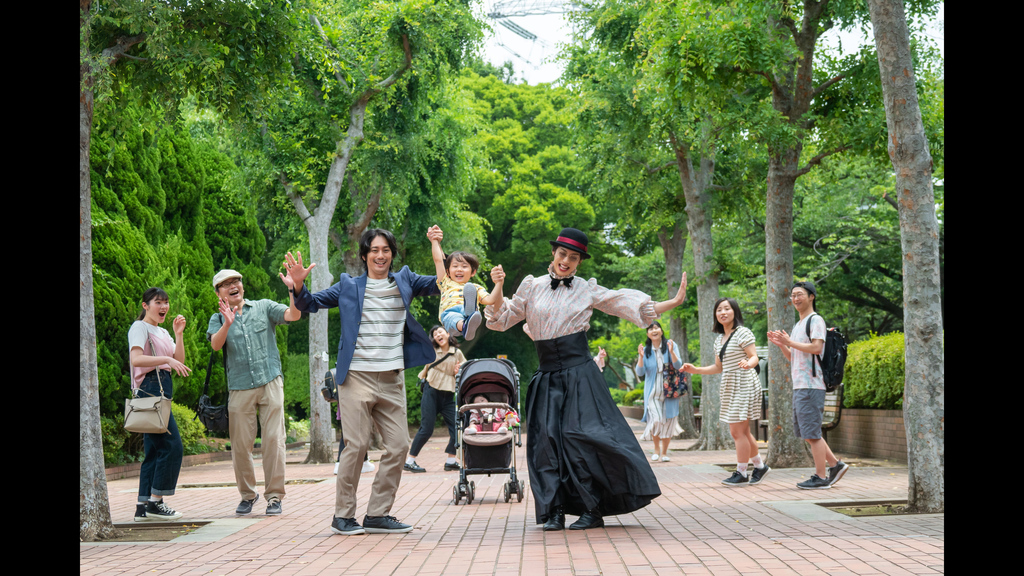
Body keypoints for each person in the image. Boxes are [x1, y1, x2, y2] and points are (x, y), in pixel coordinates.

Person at [285, 228, 502, 536]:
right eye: (374, 250)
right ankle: (343, 516)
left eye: (386, 249)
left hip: (391, 377)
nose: (381, 255)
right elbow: (310, 303)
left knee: (399, 446)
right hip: (356, 377)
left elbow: (445, 283)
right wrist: (297, 284)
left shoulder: (406, 279)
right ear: (364, 255)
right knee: (356, 446)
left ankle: (377, 514)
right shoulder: (348, 286)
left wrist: (456, 265)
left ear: (391, 254)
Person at [485, 227, 688, 531]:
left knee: (580, 437)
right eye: (562, 254)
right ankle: (553, 511)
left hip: (580, 373)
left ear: (580, 261)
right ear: (554, 253)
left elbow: (623, 303)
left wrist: (669, 303)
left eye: (573, 257)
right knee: (545, 443)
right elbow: (500, 320)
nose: (566, 260)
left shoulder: (586, 289)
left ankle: (593, 508)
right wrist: (498, 286)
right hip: (547, 375)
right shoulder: (532, 286)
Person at [207, 268, 302, 516]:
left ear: (242, 286)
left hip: (270, 380)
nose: (233, 285)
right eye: (226, 284)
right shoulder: (217, 318)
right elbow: (216, 345)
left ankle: (274, 497)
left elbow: (293, 315)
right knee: (240, 446)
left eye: (236, 280)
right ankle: (248, 495)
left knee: (274, 440)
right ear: (219, 293)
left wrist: (293, 290)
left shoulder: (263, 307)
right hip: (238, 386)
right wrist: (227, 323)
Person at [767, 281, 850, 489]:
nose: (795, 299)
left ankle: (821, 477)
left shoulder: (815, 320)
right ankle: (836, 465)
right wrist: (782, 345)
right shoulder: (798, 325)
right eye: (793, 295)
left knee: (811, 433)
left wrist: (789, 342)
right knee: (808, 432)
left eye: (800, 294)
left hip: (812, 385)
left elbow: (815, 347)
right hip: (801, 385)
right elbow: (794, 358)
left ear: (811, 296)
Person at [682, 298, 767, 486]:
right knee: (742, 430)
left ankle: (742, 472)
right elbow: (718, 367)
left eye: (727, 309)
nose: (723, 312)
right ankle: (759, 466)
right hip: (729, 385)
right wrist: (695, 369)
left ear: (734, 312)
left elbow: (754, 357)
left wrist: (747, 364)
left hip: (744, 382)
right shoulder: (719, 340)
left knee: (736, 432)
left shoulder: (742, 332)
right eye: (719, 309)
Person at [128, 287, 191, 522]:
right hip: (149, 389)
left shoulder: (163, 331)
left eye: (166, 302)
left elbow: (179, 361)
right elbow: (136, 359)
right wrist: (165, 359)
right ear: (145, 305)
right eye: (158, 302)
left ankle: (142, 507)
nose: (164, 307)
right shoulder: (140, 327)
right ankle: (156, 502)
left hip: (161, 390)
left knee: (154, 451)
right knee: (172, 446)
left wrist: (179, 334)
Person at [405, 325, 466, 473]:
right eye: (435, 334)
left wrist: (458, 371)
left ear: (447, 333)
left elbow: (464, 368)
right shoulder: (431, 350)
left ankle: (451, 461)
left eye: (441, 332)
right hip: (431, 391)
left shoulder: (456, 353)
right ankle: (410, 461)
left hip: (448, 395)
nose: (438, 335)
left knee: (457, 428)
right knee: (426, 429)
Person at [426, 224, 504, 340]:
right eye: (455, 266)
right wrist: (434, 241)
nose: (459, 269)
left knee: (469, 301)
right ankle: (465, 324)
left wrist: (499, 283)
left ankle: (469, 315)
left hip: (467, 313)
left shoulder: (475, 287)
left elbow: (490, 300)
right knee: (453, 317)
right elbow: (438, 260)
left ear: (473, 272)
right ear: (448, 271)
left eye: (464, 266)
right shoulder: (445, 281)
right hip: (449, 313)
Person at [635, 321, 683, 463]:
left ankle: (664, 453)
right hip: (652, 392)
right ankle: (656, 449)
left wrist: (672, 352)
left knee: (668, 422)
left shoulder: (671, 346)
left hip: (670, 390)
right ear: (647, 334)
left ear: (661, 331)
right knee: (656, 420)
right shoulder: (646, 350)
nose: (654, 330)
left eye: (656, 328)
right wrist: (640, 356)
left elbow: (678, 365)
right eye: (650, 329)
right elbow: (640, 372)